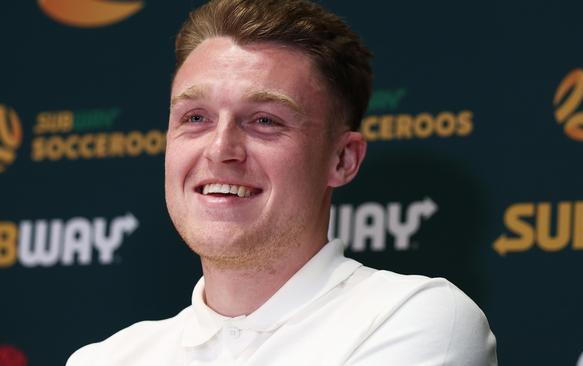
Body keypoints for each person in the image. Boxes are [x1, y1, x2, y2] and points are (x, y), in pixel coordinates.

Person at [67, 0, 497, 364]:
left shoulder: (413, 318)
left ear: (343, 159)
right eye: (195, 118)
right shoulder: (106, 358)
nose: (220, 149)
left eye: (265, 121)